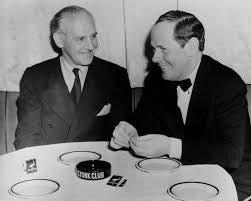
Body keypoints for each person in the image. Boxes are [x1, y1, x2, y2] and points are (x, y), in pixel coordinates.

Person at [110, 10, 251, 200]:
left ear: (191, 47)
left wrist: (170, 146)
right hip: (179, 177)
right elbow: (142, 118)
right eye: (153, 49)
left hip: (231, 180)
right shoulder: (157, 79)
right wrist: (130, 128)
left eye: (163, 49)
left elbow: (231, 154)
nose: (154, 58)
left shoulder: (227, 84)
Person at [14, 5, 131, 149]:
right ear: (59, 40)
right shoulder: (35, 77)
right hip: (51, 166)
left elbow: (124, 138)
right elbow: (27, 138)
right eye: (81, 38)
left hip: (97, 167)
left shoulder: (116, 76)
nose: (92, 45)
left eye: (93, 36)